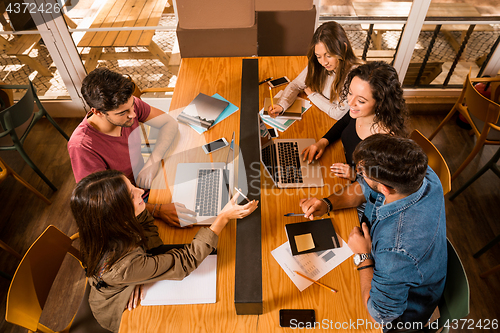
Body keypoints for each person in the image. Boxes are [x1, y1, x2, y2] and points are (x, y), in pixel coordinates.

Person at [70, 170, 259, 332]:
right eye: (132, 195)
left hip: (120, 279)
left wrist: (143, 271)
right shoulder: (123, 266)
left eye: (132, 186)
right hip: (120, 310)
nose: (141, 191)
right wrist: (223, 217)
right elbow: (186, 261)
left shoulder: (100, 229)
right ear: (116, 214)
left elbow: (147, 229)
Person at [299, 134, 447, 331]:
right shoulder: (419, 172)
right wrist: (328, 203)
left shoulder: (397, 250)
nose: (359, 175)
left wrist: (363, 256)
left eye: (363, 173)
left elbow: (379, 315)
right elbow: (367, 189)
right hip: (398, 267)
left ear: (385, 188)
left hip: (396, 318)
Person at [68, 67, 191, 228]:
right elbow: (106, 204)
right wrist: (158, 210)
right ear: (97, 112)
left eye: (133, 105)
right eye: (123, 113)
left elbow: (169, 123)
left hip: (151, 181)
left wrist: (152, 162)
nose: (133, 114)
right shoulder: (82, 147)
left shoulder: (126, 106)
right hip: (133, 208)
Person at [302, 61, 409, 181]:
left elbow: (381, 185)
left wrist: (355, 176)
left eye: (361, 101)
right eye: (350, 93)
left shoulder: (385, 143)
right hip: (341, 162)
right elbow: (343, 123)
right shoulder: (359, 113)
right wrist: (322, 142)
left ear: (380, 104)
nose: (350, 103)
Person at [267, 21, 362, 119]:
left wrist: (313, 95)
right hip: (322, 116)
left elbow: (338, 114)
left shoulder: (356, 77)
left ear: (344, 48)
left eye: (329, 55)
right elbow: (296, 85)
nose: (324, 62)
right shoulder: (318, 64)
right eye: (318, 56)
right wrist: (282, 105)